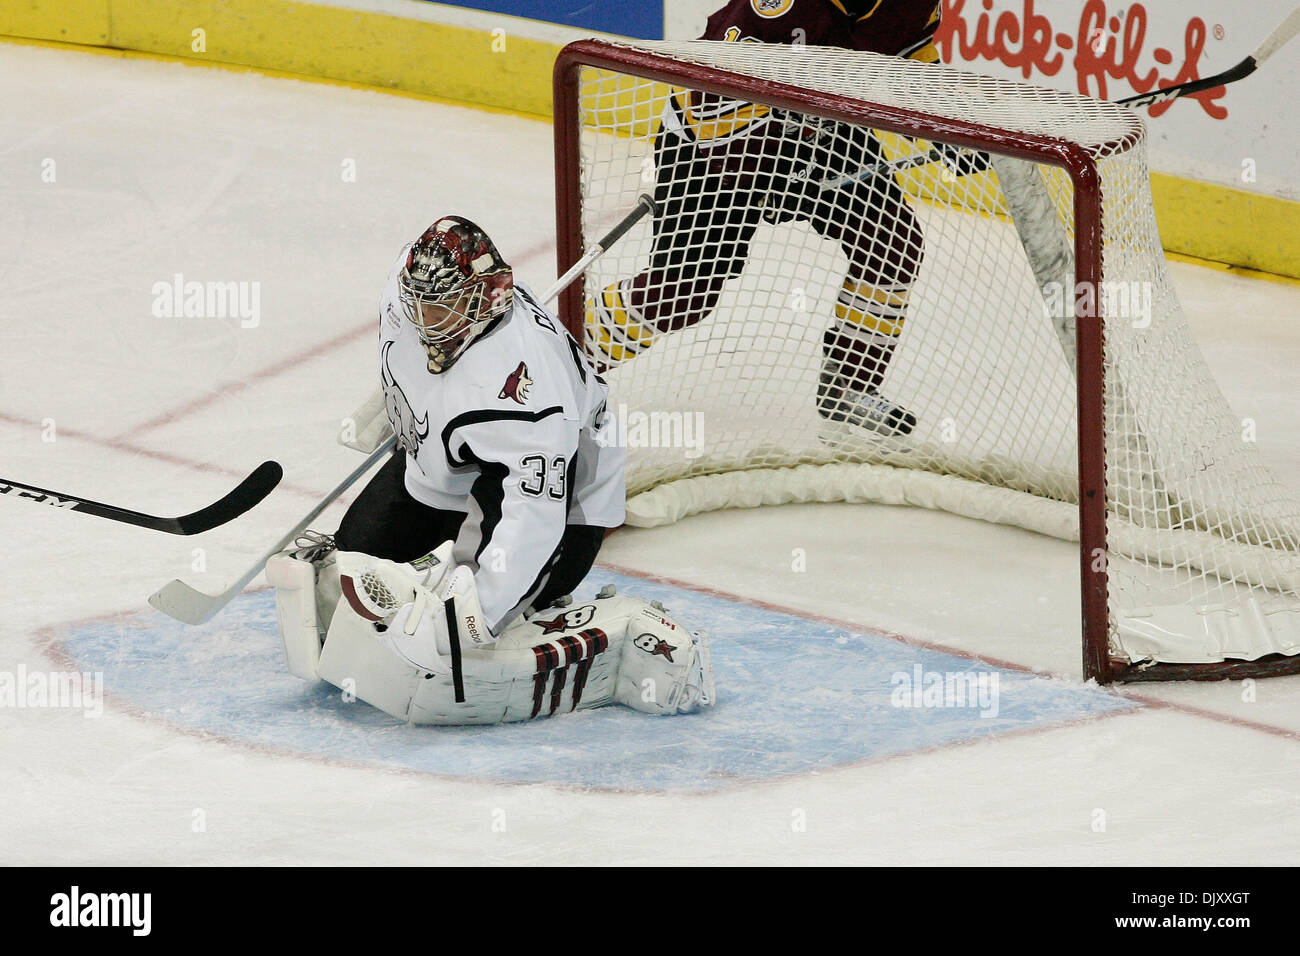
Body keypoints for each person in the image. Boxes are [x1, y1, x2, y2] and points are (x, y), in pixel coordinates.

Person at [266, 217, 713, 723]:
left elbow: (534, 521)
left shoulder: (530, 399)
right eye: (420, 303)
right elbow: (406, 342)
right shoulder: (409, 285)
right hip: (451, 455)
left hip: (560, 492)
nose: (424, 318)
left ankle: (569, 613)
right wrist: (400, 404)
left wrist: (473, 618)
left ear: (490, 298)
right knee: (354, 567)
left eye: (442, 307)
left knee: (492, 612)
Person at [585, 0, 984, 438]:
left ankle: (851, 386)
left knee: (891, 243)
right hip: (712, 143)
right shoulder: (786, 7)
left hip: (822, 130)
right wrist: (777, 178)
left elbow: (908, 61)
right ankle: (563, 359)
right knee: (682, 294)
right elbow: (708, 103)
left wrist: (945, 123)